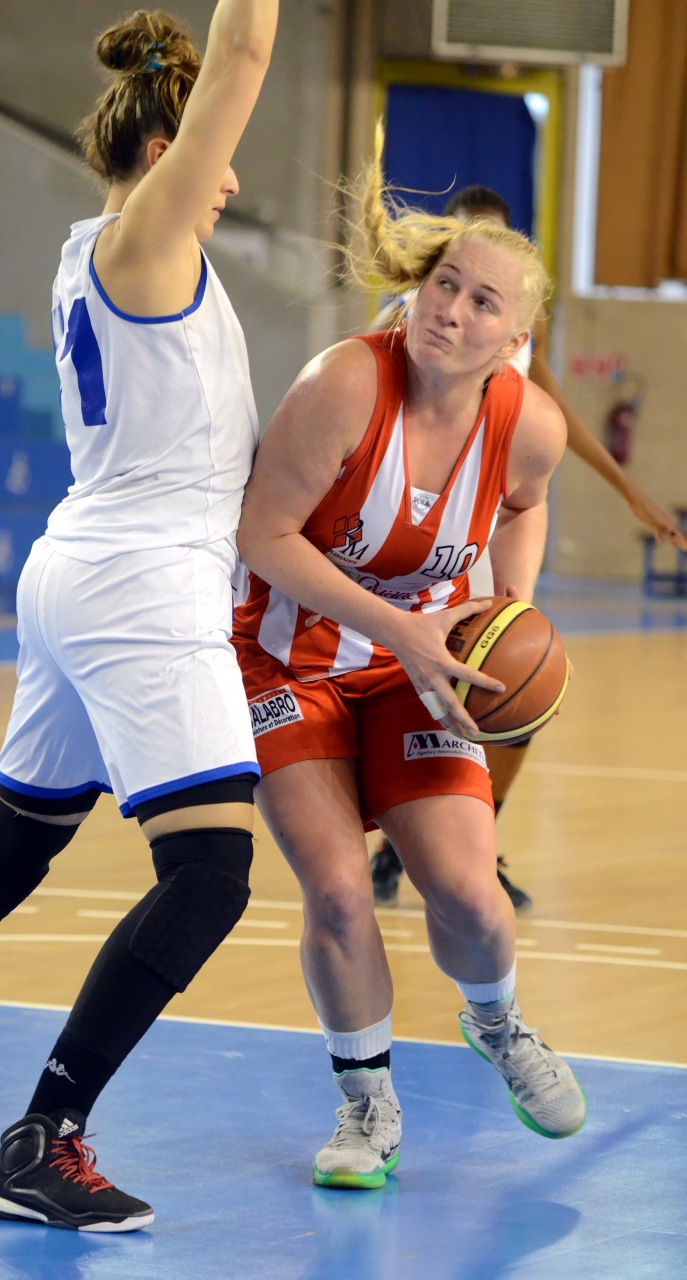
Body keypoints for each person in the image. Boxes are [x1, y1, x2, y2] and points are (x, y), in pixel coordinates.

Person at [0, 1, 277, 1231]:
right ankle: (45, 1133)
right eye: (216, 154)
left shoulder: (101, 248)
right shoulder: (148, 239)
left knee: (10, 846)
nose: (231, 178)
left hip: (87, 569)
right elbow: (245, 51)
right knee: (210, 871)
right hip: (138, 586)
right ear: (168, 150)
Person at [233, 126, 586, 1190]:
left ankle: (500, 1022)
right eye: (443, 284)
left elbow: (524, 505)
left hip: (416, 663)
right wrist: (405, 628)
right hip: (286, 661)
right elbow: (264, 536)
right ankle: (366, 1106)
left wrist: (509, 608)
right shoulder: (345, 382)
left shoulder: (530, 425)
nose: (451, 310)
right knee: (341, 889)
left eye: (483, 302)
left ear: (515, 334)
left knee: (470, 895)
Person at [368, 182, 687, 910]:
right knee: (419, 689)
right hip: (418, 523)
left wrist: (627, 491)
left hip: (493, 519)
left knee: (517, 691)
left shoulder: (515, 328)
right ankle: (403, 837)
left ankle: (474, 842)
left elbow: (556, 411)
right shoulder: (415, 320)